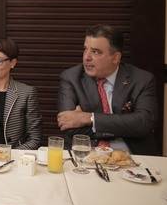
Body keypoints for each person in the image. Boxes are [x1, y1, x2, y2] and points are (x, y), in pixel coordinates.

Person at [57, 24, 158, 155]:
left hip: (133, 156)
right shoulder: (71, 78)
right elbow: (68, 126)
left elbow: (144, 124)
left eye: (95, 52)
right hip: (87, 156)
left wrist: (90, 118)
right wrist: (126, 124)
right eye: (85, 49)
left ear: (115, 58)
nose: (86, 57)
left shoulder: (142, 79)